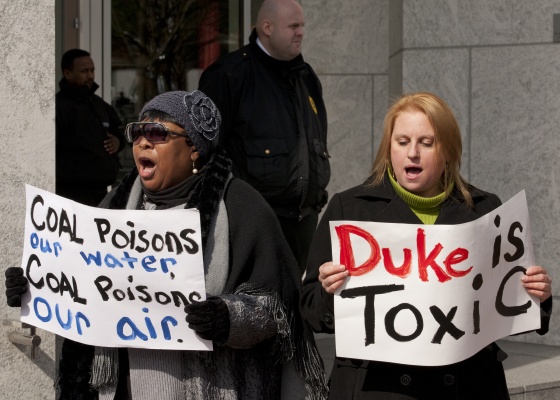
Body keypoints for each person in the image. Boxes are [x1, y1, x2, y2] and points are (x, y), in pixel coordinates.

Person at [5, 90, 327, 400]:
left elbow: (280, 311)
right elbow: (78, 285)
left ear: (194, 149)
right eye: (138, 132)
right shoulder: (113, 207)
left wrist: (228, 317)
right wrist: (36, 285)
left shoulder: (243, 207)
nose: (143, 141)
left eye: (158, 133)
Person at [300, 92, 553, 399]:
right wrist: (329, 292)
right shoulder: (350, 210)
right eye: (402, 141)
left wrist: (535, 294)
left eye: (427, 142)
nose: (413, 153)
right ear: (388, 148)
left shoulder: (486, 210)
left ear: (448, 150)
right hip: (379, 387)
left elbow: (507, 311)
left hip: (466, 386)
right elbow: (311, 311)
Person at [198, 0, 330, 276]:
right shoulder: (229, 76)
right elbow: (205, 153)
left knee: (292, 310)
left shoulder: (306, 78)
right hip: (253, 223)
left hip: (303, 222)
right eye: (293, 26)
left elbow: (317, 140)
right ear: (267, 28)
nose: (301, 32)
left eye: (302, 25)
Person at [56, 48, 125, 207]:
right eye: (84, 71)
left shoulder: (98, 104)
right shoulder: (58, 107)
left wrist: (118, 141)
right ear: (67, 73)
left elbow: (119, 129)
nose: (90, 76)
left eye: (92, 70)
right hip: (70, 195)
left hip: (100, 192)